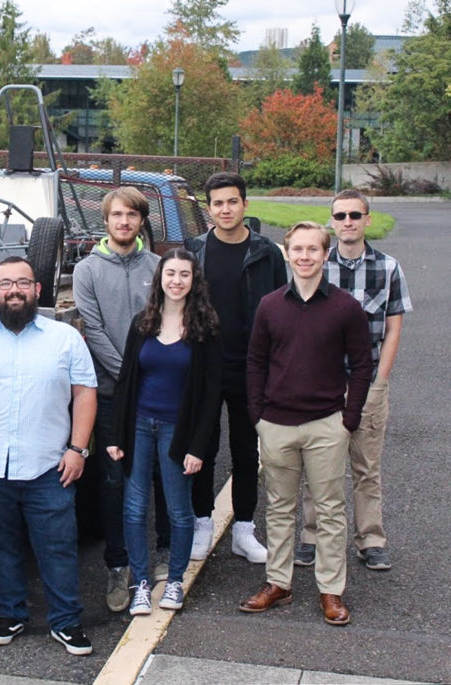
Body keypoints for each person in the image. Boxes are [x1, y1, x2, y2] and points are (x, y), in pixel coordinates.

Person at [0, 256, 98, 657]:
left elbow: (84, 392)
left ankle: (66, 621)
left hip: (49, 465)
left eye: (23, 283)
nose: (15, 290)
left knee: (57, 546)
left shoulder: (64, 337)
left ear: (38, 290)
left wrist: (78, 449)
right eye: (6, 283)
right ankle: (10, 613)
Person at [239, 221, 371, 626]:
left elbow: (362, 365)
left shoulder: (345, 307)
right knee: (279, 508)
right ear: (287, 253)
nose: (305, 256)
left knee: (329, 510)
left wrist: (349, 419)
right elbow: (256, 361)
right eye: (298, 249)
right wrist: (257, 415)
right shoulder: (270, 305)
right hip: (276, 424)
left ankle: (330, 590)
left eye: (313, 249)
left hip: (327, 424)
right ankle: (278, 583)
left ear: (325, 254)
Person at [296, 190, 413, 572]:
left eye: (355, 215)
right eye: (341, 215)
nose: (348, 222)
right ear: (332, 220)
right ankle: (311, 536)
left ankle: (371, 539)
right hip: (321, 385)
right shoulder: (315, 266)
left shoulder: (388, 268)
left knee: (366, 467)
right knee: (318, 467)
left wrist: (379, 382)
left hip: (368, 383)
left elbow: (393, 329)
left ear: (367, 219)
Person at [107, 248, 221, 616]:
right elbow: (125, 381)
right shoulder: (143, 322)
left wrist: (198, 446)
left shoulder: (204, 327)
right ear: (160, 278)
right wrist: (115, 435)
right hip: (139, 425)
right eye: (170, 273)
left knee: (178, 509)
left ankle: (174, 581)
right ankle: (140, 583)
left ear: (194, 281)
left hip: (178, 429)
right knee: (135, 507)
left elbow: (210, 395)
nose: (176, 281)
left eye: (184, 275)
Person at [72, 187, 167, 611]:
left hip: (158, 391)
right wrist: (128, 376)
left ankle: (165, 557)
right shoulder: (87, 270)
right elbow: (92, 331)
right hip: (112, 394)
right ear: (106, 221)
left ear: (141, 221)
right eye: (116, 215)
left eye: (132, 215)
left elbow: (170, 324)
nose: (124, 222)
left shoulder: (160, 267)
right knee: (113, 480)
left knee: (163, 475)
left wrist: (151, 374)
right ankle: (118, 565)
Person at [185, 172, 287, 563]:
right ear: (208, 209)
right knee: (203, 450)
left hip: (252, 369)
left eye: (232, 202)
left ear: (245, 204)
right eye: (217, 203)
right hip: (204, 368)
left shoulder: (266, 253)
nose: (225, 209)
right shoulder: (194, 250)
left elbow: (282, 309)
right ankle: (201, 525)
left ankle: (244, 529)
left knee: (246, 453)